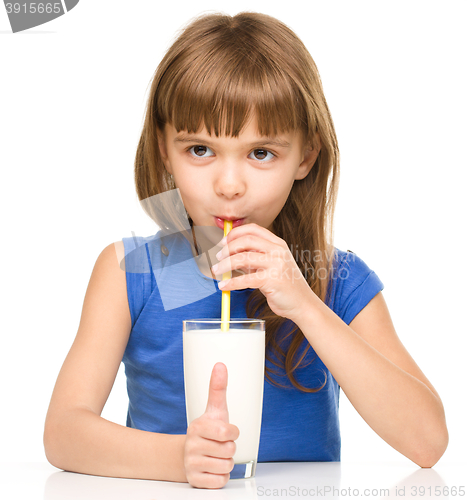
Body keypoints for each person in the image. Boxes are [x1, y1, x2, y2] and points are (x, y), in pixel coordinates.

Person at [43, 12, 448, 489]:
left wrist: (305, 306)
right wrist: (180, 459)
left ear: (306, 157)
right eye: (199, 150)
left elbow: (427, 442)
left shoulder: (336, 279)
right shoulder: (133, 273)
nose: (229, 186)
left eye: (261, 153)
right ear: (164, 150)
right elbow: (63, 434)